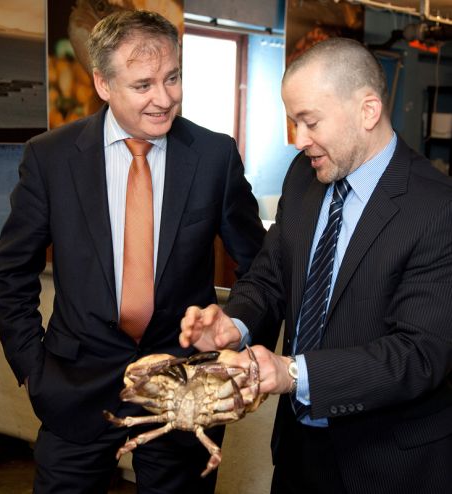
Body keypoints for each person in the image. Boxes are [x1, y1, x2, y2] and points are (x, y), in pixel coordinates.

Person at [0, 10, 265, 494]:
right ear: (102, 83)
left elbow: (262, 268)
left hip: (183, 393)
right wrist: (34, 371)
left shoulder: (214, 156)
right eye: (143, 85)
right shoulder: (50, 158)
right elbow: (12, 273)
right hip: (74, 390)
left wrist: (232, 347)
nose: (165, 98)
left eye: (173, 78)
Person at [180, 37, 452, 494]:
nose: (299, 140)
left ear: (367, 111)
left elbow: (419, 355)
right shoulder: (303, 177)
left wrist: (291, 373)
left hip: (389, 462)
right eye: (292, 122)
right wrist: (234, 323)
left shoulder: (437, 208)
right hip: (297, 452)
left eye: (310, 122)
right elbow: (269, 274)